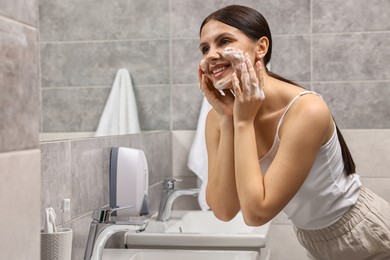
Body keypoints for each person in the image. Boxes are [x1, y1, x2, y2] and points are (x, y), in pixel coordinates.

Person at [198, 5, 390, 260]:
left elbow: (256, 214)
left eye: (224, 41)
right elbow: (223, 210)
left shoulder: (306, 110)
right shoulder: (219, 117)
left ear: (261, 47)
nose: (212, 54)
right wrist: (229, 121)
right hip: (315, 241)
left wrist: (243, 123)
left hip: (367, 235)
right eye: (204, 48)